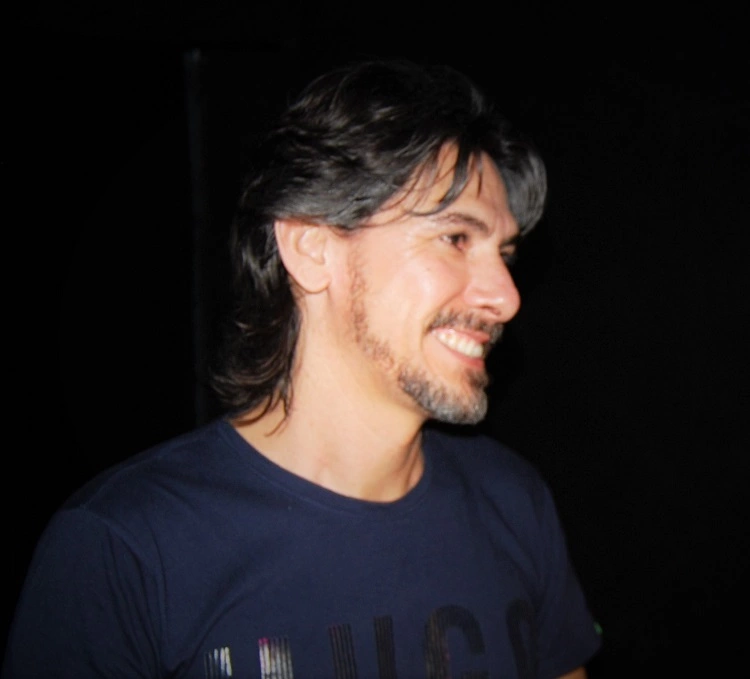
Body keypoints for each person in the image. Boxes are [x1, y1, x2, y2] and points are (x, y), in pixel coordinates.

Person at [3, 58, 601, 678]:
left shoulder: (512, 500)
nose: (506, 297)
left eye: (504, 254)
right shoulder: (125, 547)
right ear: (311, 247)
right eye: (456, 238)